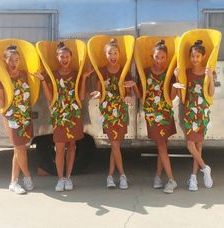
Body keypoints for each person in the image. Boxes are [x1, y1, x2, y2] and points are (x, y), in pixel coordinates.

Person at [34, 41, 92, 191]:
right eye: (62, 57)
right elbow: (49, 98)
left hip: (74, 115)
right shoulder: (52, 75)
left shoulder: (75, 74)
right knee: (59, 147)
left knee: (72, 146)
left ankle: (68, 177)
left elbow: (81, 97)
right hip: (59, 115)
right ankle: (60, 179)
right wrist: (42, 81)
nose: (64, 59)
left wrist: (84, 78)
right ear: (57, 57)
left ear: (71, 57)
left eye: (67, 56)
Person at [132, 40, 177, 193]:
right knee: (161, 145)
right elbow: (140, 95)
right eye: (157, 57)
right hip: (151, 113)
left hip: (165, 113)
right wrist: (133, 86)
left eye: (163, 57)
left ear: (166, 57)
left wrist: (176, 86)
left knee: (163, 145)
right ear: (152, 56)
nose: (159, 61)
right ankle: (165, 178)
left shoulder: (170, 73)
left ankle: (164, 178)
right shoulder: (144, 71)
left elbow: (171, 98)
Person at [0, 45, 34, 194]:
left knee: (20, 149)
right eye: (11, 60)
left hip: (25, 116)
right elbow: (0, 104)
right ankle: (27, 176)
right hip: (11, 118)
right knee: (19, 147)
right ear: (5, 61)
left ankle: (13, 182)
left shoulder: (23, 74)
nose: (14, 63)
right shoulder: (1, 80)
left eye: (17, 60)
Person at [90, 38, 134, 189]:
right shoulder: (101, 71)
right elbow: (99, 89)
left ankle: (110, 176)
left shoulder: (124, 70)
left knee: (116, 145)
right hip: (108, 111)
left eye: (115, 52)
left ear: (119, 54)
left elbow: (128, 91)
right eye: (110, 53)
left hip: (121, 111)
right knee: (115, 144)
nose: (113, 55)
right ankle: (122, 176)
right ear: (105, 55)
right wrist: (97, 94)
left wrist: (129, 95)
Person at [174, 40, 214, 191]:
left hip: (202, 112)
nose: (194, 59)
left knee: (198, 146)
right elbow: (181, 94)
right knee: (191, 145)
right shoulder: (188, 72)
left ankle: (193, 178)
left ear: (203, 56)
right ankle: (205, 168)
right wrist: (177, 78)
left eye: (197, 56)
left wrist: (209, 77)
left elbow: (210, 93)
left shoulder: (207, 72)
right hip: (190, 113)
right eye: (192, 56)